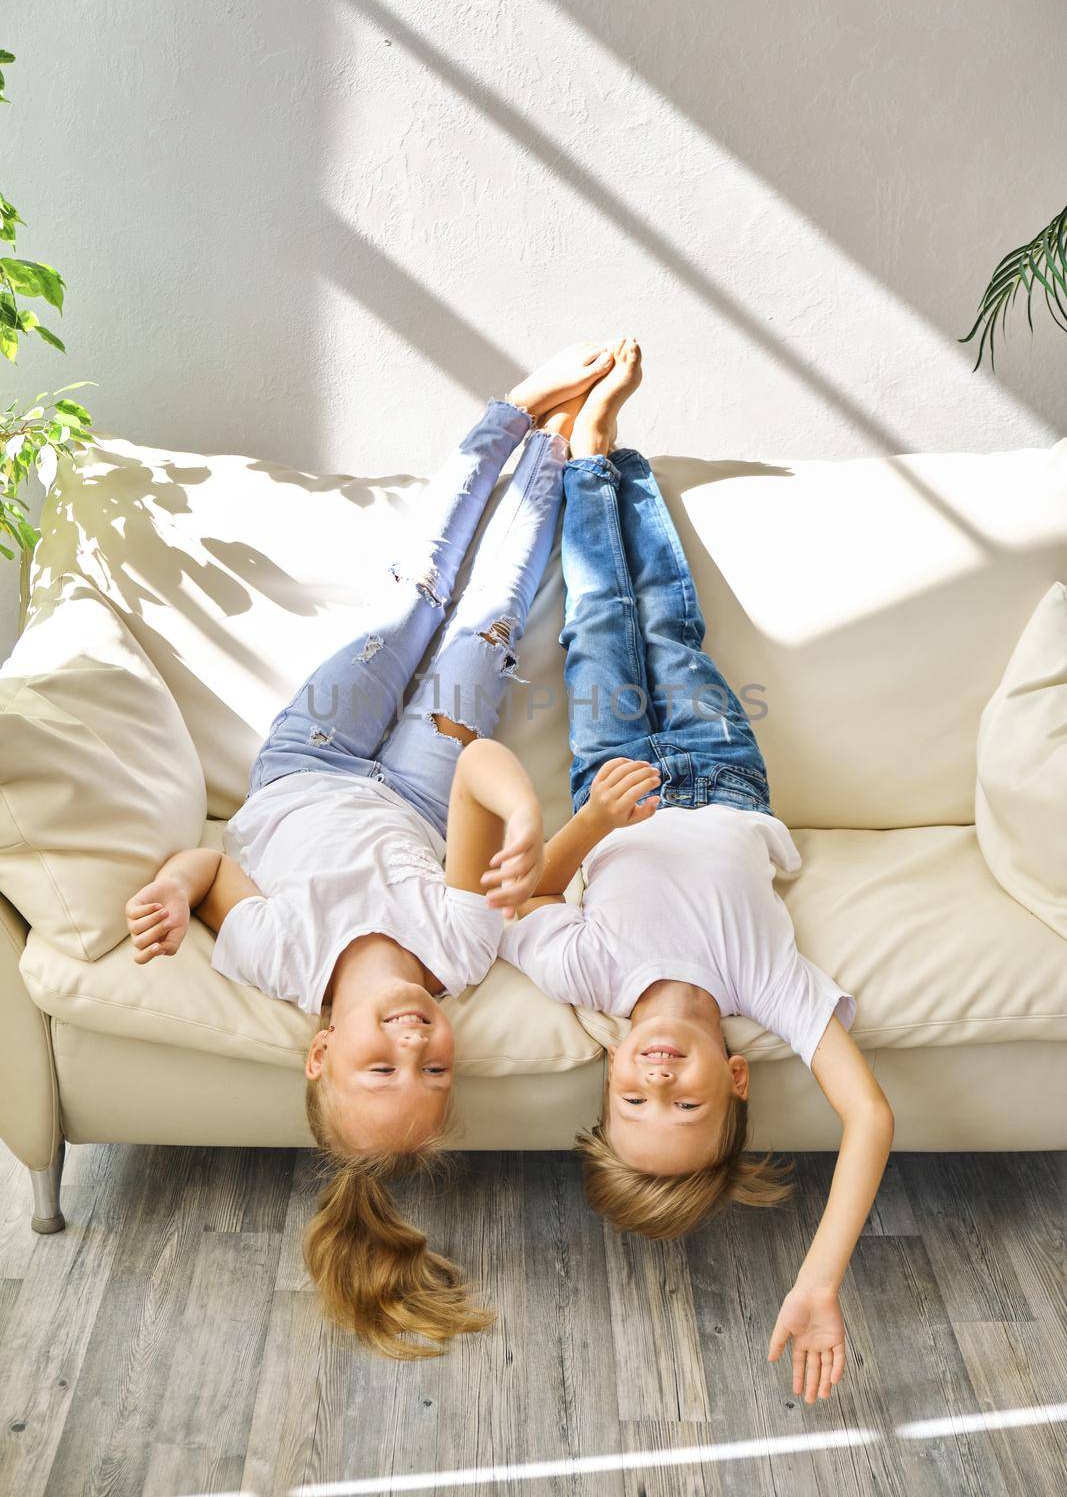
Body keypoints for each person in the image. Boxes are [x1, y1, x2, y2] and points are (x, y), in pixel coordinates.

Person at [123, 342, 618, 1358]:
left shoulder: (277, 958)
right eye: (431, 1075)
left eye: (376, 1067)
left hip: (310, 757)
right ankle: (554, 456)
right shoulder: (458, 950)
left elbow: (213, 867)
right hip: (419, 786)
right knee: (485, 626)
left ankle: (509, 416)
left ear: (319, 1051)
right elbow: (478, 764)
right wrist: (524, 819)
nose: (416, 1048)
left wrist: (174, 891)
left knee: (421, 594)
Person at [494, 338, 895, 1405]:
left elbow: (526, 898)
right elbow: (867, 1119)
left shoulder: (592, 977)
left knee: (596, 622)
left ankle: (584, 455)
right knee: (666, 622)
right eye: (680, 1106)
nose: (658, 1082)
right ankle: (620, 463)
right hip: (721, 773)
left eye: (631, 1095)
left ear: (613, 1065)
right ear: (732, 1082)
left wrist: (587, 823)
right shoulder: (766, 992)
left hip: (610, 774)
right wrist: (816, 1279)